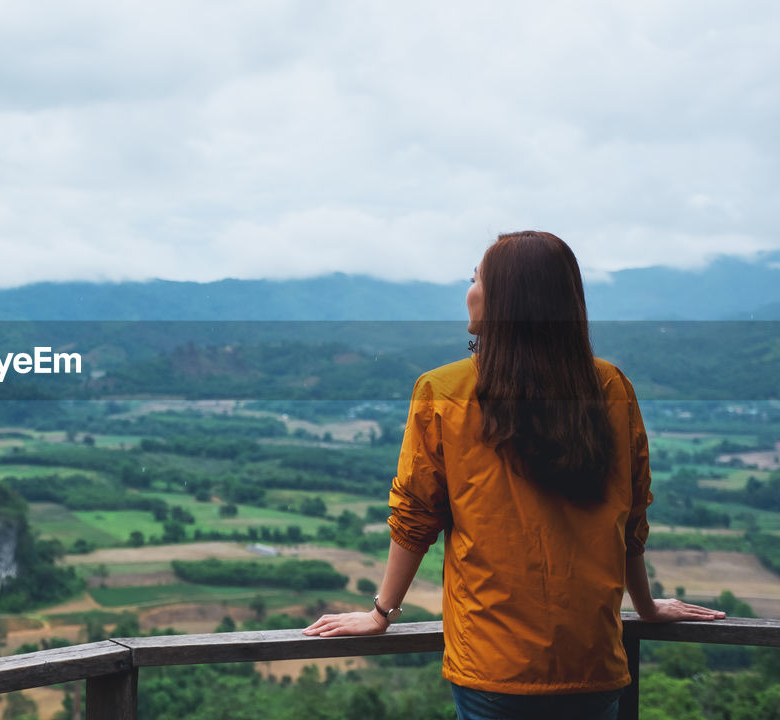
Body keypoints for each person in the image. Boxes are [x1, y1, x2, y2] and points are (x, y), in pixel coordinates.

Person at [302, 231, 726, 720]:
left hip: (493, 667)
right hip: (593, 662)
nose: (469, 290)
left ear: (506, 299)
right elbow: (630, 513)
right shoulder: (610, 386)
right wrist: (645, 607)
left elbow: (416, 515)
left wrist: (381, 616)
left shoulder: (444, 390)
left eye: (476, 278)